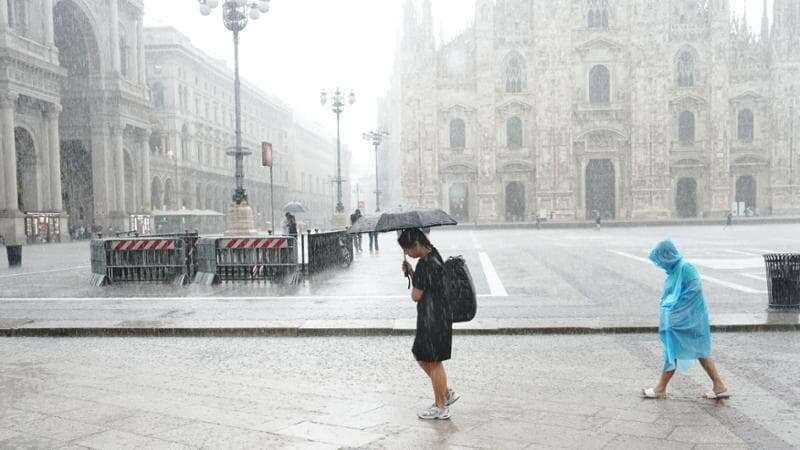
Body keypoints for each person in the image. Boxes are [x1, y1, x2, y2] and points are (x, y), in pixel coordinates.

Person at [642, 239, 729, 400]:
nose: (659, 265)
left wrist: (675, 309)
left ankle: (660, 388)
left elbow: (694, 291)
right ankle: (718, 385)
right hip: (680, 320)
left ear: (667, 255)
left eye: (660, 260)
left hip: (688, 320)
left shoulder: (686, 268)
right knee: (699, 351)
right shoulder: (675, 271)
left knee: (672, 351)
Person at [398, 228, 459, 420]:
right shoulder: (434, 254)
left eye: (408, 250)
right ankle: (445, 393)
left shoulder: (425, 264)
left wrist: (415, 276)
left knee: (433, 361)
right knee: (422, 356)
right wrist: (412, 272)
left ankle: (441, 407)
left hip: (432, 318)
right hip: (438, 315)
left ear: (416, 244)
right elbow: (429, 283)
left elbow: (416, 296)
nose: (408, 254)